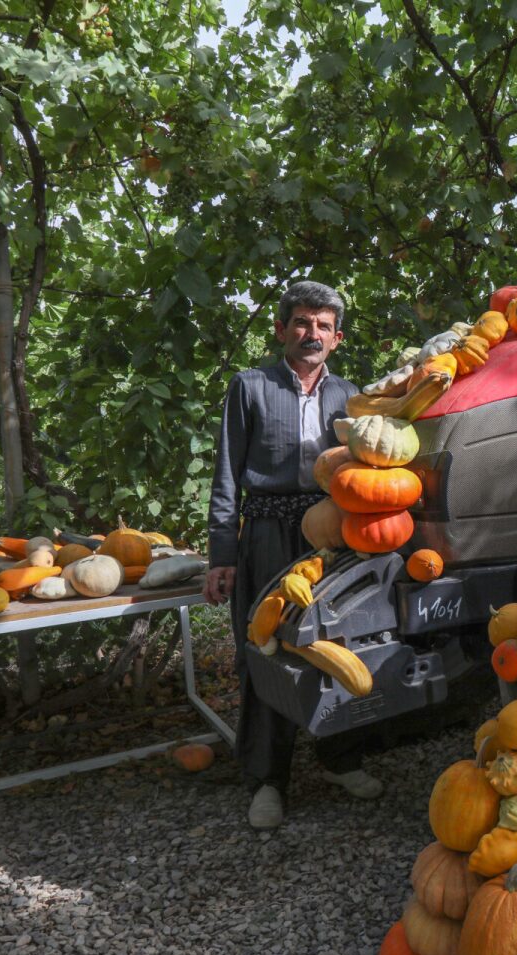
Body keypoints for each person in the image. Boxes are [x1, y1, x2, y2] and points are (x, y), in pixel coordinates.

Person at [203, 280, 383, 829]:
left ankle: (339, 758)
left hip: (330, 535)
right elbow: (228, 473)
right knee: (265, 648)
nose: (312, 334)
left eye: (323, 326)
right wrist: (222, 553)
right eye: (302, 322)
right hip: (266, 531)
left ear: (338, 338)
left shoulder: (350, 396)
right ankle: (266, 779)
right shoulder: (251, 386)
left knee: (338, 643)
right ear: (282, 330)